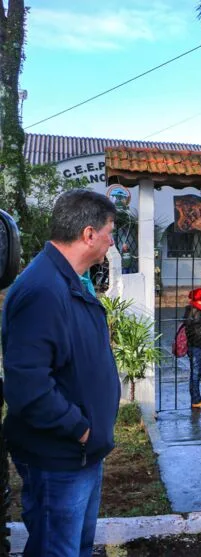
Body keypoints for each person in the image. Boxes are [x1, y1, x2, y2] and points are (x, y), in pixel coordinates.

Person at [2, 189, 121, 557]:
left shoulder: (71, 279)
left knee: (76, 548)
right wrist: (81, 430)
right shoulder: (43, 289)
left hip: (83, 453)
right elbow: (29, 387)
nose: (111, 241)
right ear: (88, 234)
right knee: (58, 550)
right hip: (61, 457)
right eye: (108, 232)